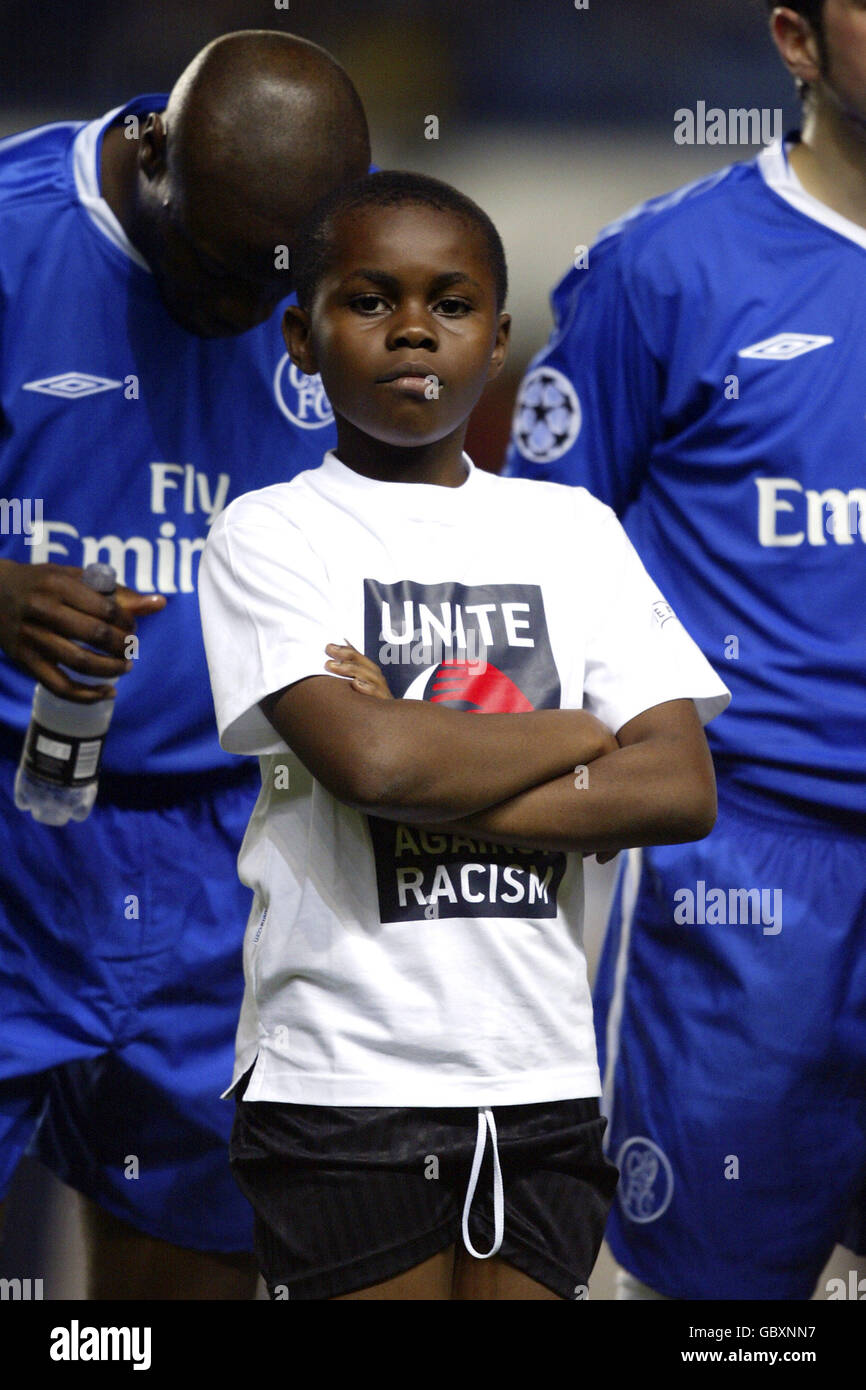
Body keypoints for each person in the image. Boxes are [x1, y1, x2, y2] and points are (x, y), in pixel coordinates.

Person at [197, 169, 730, 1301]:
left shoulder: (568, 528)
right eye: (368, 299)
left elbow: (678, 785)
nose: (409, 330)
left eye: (449, 304)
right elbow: (371, 763)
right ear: (300, 335)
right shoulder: (271, 533)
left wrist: (424, 758)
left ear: (496, 339)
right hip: (342, 1079)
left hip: (539, 1071)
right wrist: (583, 732)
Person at [0, 30, 371, 1299]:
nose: (239, 318)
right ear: (151, 149)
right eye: (215, 272)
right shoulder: (12, 236)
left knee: (185, 1273)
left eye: (273, 291)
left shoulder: (339, 285)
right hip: (14, 827)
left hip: (228, 854)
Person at [505, 0, 866, 1300]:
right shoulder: (663, 270)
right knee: (709, 1296)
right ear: (794, 37)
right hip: (738, 879)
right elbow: (528, 557)